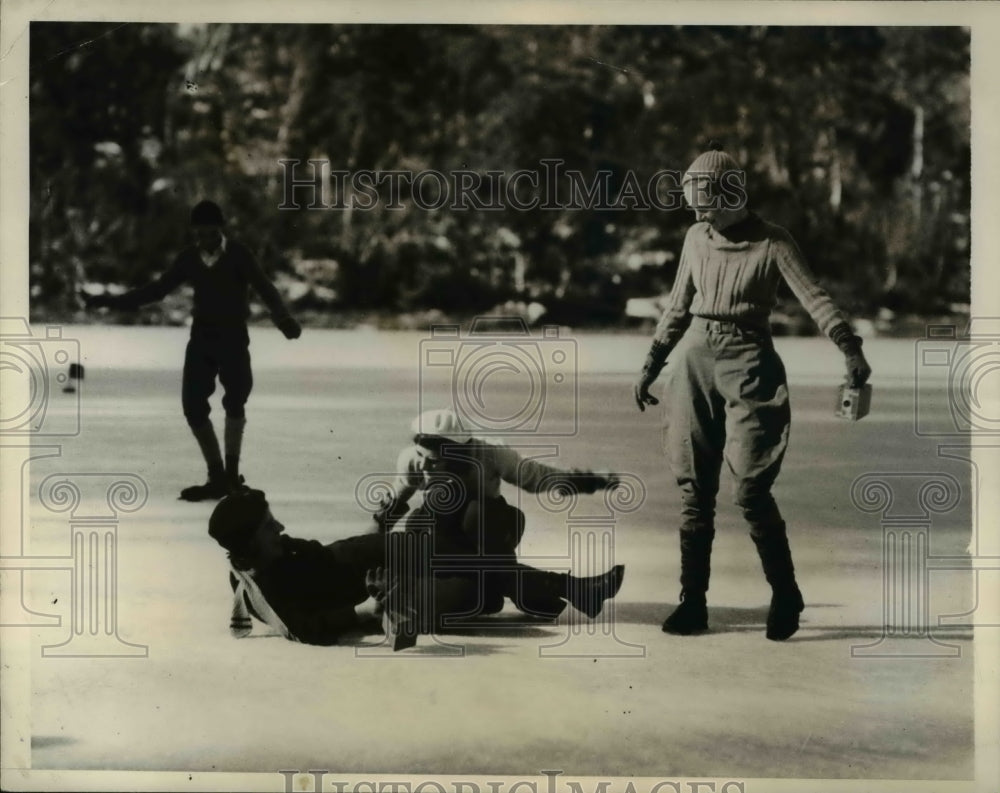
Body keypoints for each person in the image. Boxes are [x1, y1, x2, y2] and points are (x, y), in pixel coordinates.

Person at [633, 143, 872, 641]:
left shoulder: (773, 241)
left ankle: (786, 593)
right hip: (694, 359)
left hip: (749, 362)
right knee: (694, 488)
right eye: (691, 200)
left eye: (703, 198)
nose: (696, 210)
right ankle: (692, 602)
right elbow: (678, 307)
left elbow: (815, 298)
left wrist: (849, 348)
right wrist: (652, 362)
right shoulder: (696, 238)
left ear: (728, 192)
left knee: (750, 488)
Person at [209, 488, 625, 650]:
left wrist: (376, 528)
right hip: (380, 581)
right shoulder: (260, 588)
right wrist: (369, 611)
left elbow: (321, 563)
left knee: (459, 547)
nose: (280, 527)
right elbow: (304, 628)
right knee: (469, 581)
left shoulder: (260, 557)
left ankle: (548, 590)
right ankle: (549, 590)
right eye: (269, 527)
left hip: (366, 554)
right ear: (247, 544)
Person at [84, 200, 302, 501]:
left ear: (220, 229)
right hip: (202, 340)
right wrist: (106, 301)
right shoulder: (189, 258)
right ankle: (217, 475)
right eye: (200, 234)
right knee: (193, 406)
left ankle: (231, 476)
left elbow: (265, 288)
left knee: (236, 400)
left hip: (233, 338)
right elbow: (156, 290)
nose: (205, 240)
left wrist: (284, 319)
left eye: (210, 233)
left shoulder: (238, 254)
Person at [370, 408, 623, 618]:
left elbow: (539, 477)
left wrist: (590, 480)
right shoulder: (412, 462)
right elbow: (386, 515)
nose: (424, 466)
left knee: (476, 512)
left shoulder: (490, 455)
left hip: (487, 533)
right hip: (447, 542)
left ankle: (527, 589)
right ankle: (562, 590)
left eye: (434, 461)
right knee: (419, 521)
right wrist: (365, 564)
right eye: (420, 455)